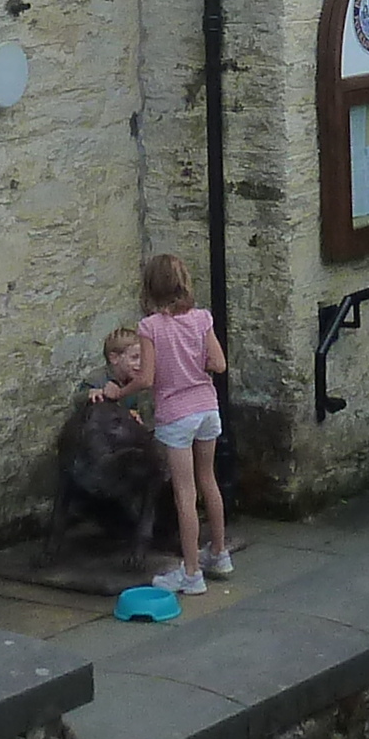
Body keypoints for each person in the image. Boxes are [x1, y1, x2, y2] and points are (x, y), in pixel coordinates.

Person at [136, 253, 230, 592]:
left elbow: (146, 379)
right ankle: (219, 553)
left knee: (184, 494)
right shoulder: (202, 318)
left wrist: (122, 389)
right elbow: (218, 364)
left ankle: (191, 574)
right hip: (207, 408)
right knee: (209, 481)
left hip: (176, 415)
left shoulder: (149, 328)